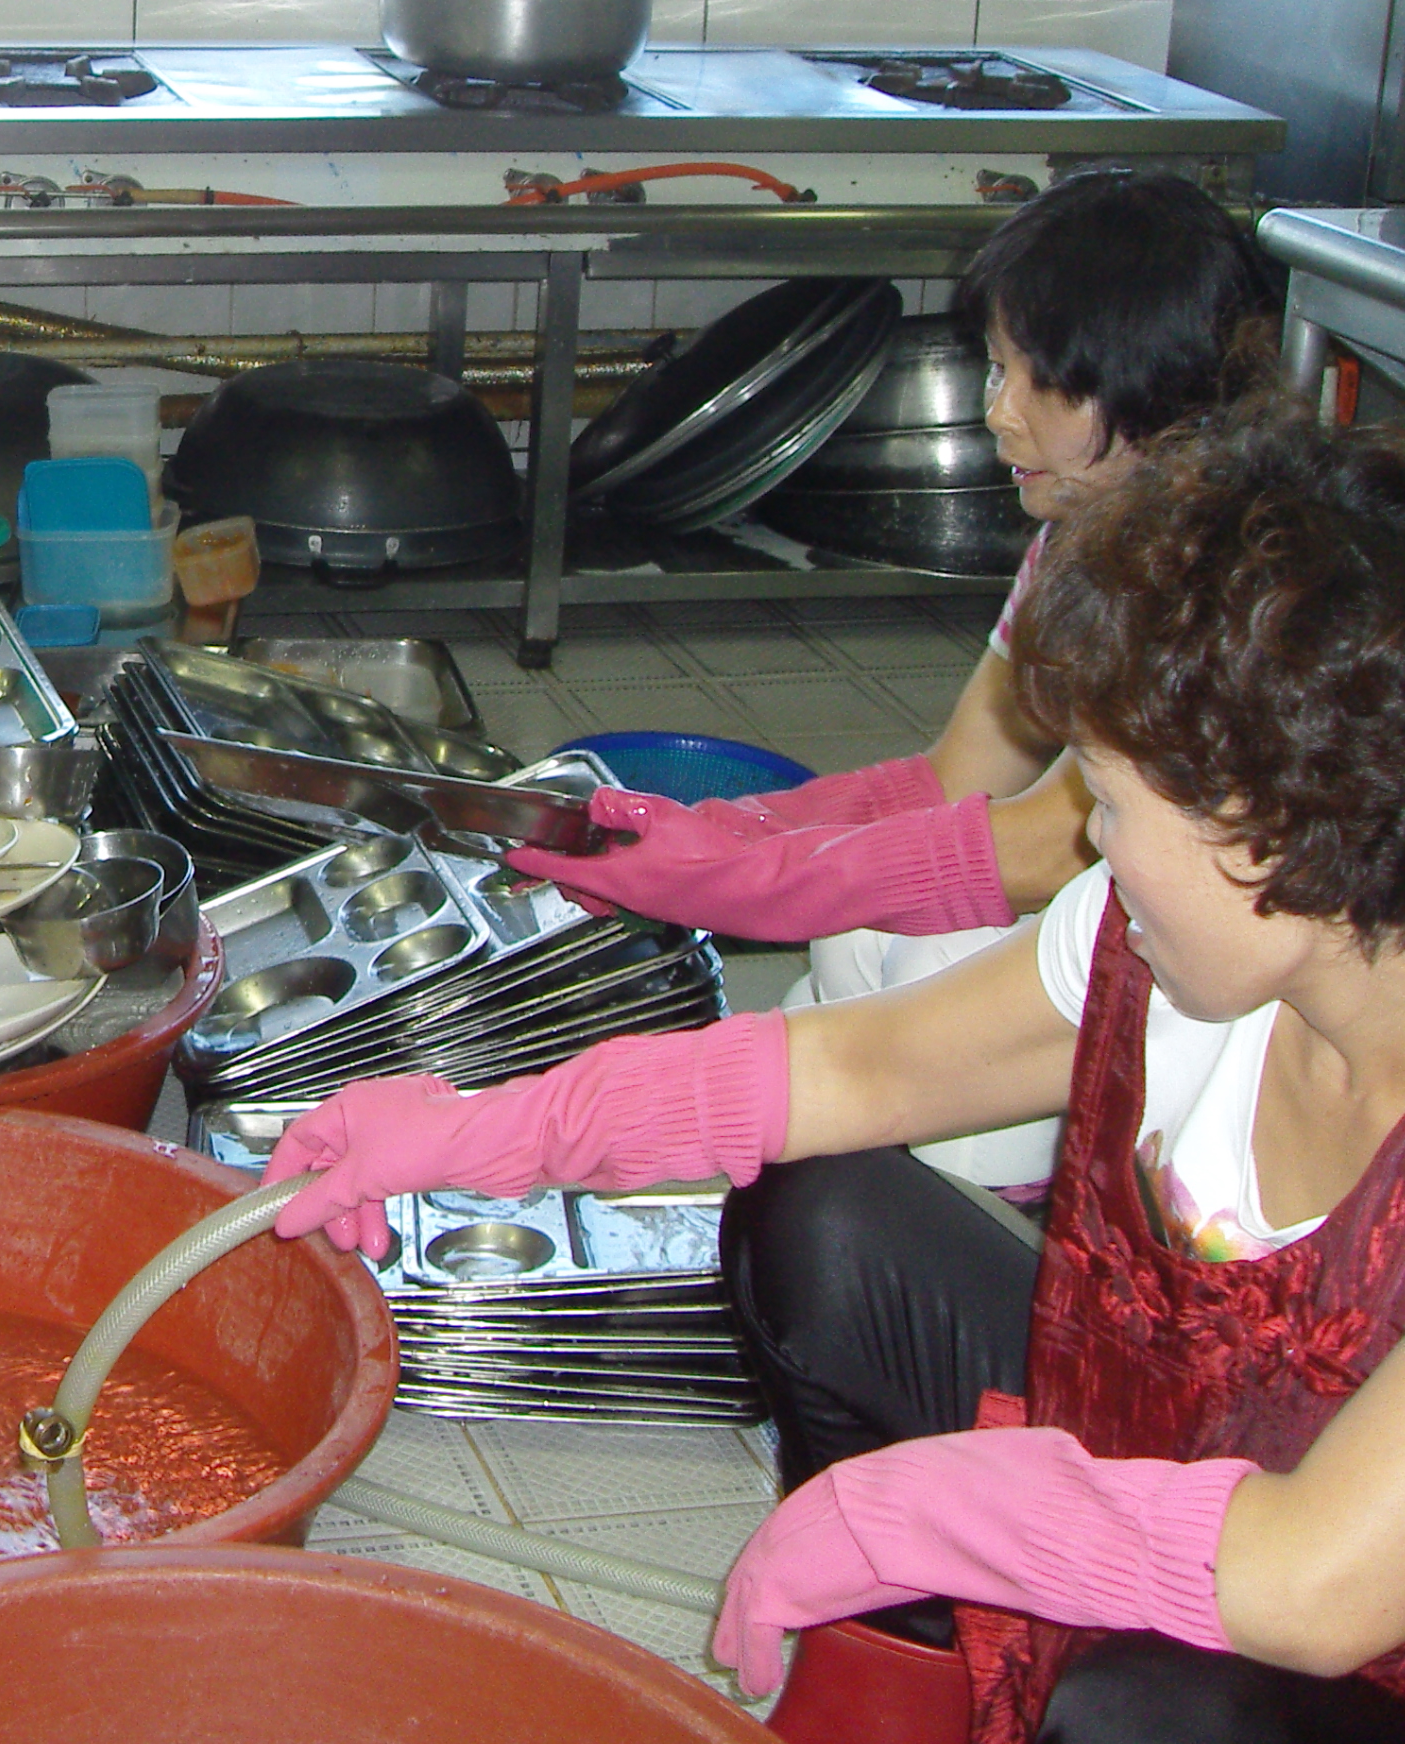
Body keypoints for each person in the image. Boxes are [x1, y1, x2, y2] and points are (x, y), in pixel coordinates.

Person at [264, 401, 1405, 1742]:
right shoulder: (1155, 947)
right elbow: (856, 1070)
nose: (1089, 845)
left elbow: (1312, 1586)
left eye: (1110, 800)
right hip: (1147, 1443)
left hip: (1325, 1636)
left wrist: (939, 1505)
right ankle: (910, 1687)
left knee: (1150, 1715)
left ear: (1271, 826)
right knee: (826, 1217)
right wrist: (481, 1133)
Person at [508, 169, 1277, 1185]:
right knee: (859, 940)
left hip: (1228, 973)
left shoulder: (1220, 591)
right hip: (1137, 915)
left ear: (1135, 383)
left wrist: (752, 883)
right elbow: (955, 779)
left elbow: (1053, 846)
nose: (996, 414)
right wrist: (735, 834)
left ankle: (995, 1212)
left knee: (931, 962)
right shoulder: (1079, 541)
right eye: (992, 369)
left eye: (1029, 379)